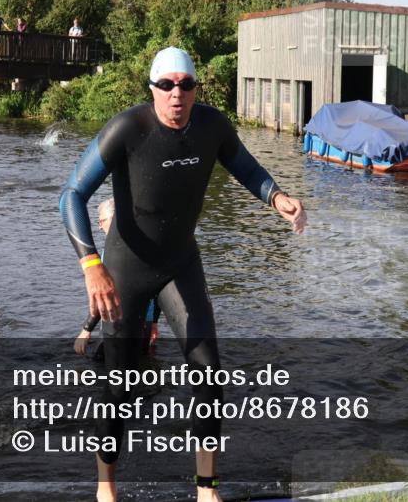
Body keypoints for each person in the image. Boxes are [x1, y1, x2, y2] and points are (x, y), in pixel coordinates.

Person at [59, 46, 306, 502]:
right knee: (119, 387)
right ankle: (105, 487)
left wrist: (276, 196)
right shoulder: (127, 129)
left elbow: (244, 165)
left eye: (186, 84)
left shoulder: (212, 126)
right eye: (167, 85)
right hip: (126, 270)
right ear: (153, 88)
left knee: (209, 372)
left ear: (196, 89)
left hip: (180, 264)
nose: (177, 94)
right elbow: (71, 194)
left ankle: (206, 489)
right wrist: (91, 265)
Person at [74, 198, 160, 357]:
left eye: (102, 221)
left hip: (118, 323)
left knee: (103, 367)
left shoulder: (113, 254)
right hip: (145, 323)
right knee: (141, 365)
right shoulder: (146, 246)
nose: (100, 226)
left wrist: (86, 329)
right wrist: (154, 322)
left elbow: (106, 294)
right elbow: (157, 287)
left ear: (114, 220)